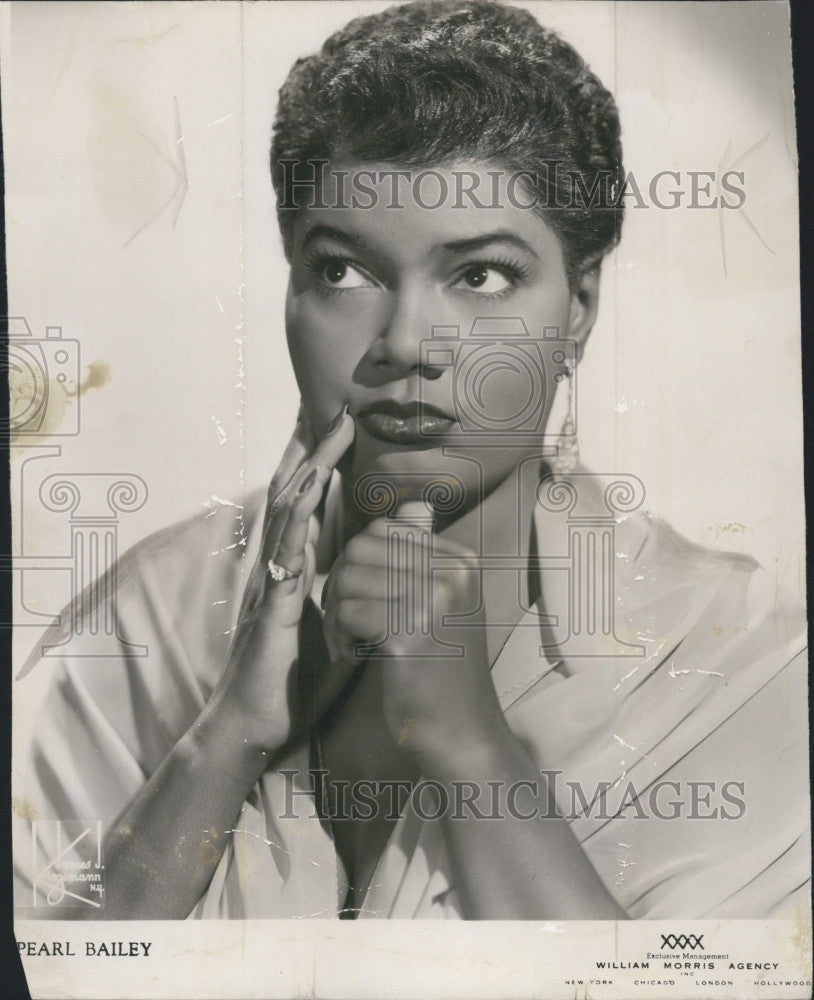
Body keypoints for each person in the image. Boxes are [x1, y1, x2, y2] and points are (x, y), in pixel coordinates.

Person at [14, 0, 808, 921]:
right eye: (344, 271)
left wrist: (470, 742)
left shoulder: (740, 656)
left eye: (480, 276)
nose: (406, 343)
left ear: (579, 307)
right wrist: (225, 734)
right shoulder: (140, 618)